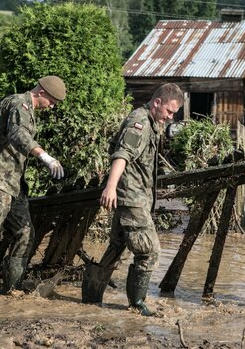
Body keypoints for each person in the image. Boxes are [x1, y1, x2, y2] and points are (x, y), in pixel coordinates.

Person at [82, 83, 183, 315]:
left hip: (137, 195)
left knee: (117, 246)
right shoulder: (139, 122)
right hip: (131, 196)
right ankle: (136, 305)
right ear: (157, 102)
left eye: (174, 114)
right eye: (169, 111)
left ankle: (90, 300)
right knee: (149, 251)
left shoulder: (152, 122)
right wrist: (110, 187)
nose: (170, 117)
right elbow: (123, 154)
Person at [0, 76, 66, 297]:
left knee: (24, 233)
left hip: (13, 184)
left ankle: (11, 291)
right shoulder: (20, 103)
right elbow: (18, 134)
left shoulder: (25, 107)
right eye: (53, 101)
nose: (53, 106)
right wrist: (45, 157)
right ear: (42, 93)